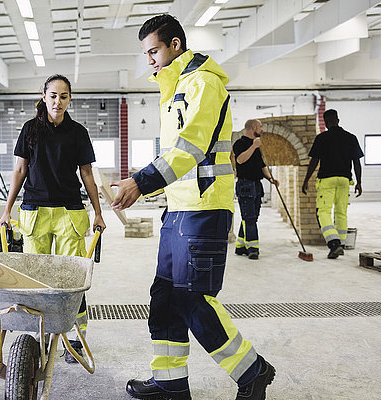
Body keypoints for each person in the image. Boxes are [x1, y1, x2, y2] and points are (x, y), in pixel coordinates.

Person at [111, 14, 275, 400]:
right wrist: (150, 185)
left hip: (205, 208)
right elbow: (175, 153)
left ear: (175, 45)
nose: (149, 59)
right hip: (179, 209)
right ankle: (170, 382)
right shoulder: (175, 88)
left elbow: (191, 147)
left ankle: (252, 371)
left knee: (192, 298)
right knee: (165, 296)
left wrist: (142, 181)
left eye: (154, 50)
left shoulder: (202, 83)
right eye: (146, 53)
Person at [0, 74, 106, 363]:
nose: (58, 101)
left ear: (70, 99)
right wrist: (8, 209)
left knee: (71, 279)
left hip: (70, 213)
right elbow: (20, 171)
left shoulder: (78, 132)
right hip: (34, 212)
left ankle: (75, 337)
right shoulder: (30, 129)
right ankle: (38, 336)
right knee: (36, 280)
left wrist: (98, 211)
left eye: (64, 96)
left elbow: (87, 175)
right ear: (44, 97)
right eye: (54, 95)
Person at [302, 109, 363, 259]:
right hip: (344, 180)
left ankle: (334, 244)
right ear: (338, 120)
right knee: (341, 212)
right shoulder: (351, 137)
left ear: (326, 122)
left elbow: (314, 161)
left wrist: (306, 179)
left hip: (327, 180)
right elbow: (356, 162)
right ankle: (340, 244)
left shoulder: (322, 138)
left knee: (323, 211)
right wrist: (359, 182)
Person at [233, 119, 279, 260]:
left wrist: (271, 179)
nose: (262, 129)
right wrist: (253, 147)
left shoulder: (257, 147)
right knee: (250, 218)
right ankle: (253, 248)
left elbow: (262, 166)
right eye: (260, 127)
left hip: (256, 185)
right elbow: (240, 160)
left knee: (250, 217)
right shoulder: (240, 144)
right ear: (253, 128)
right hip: (245, 185)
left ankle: (240, 246)